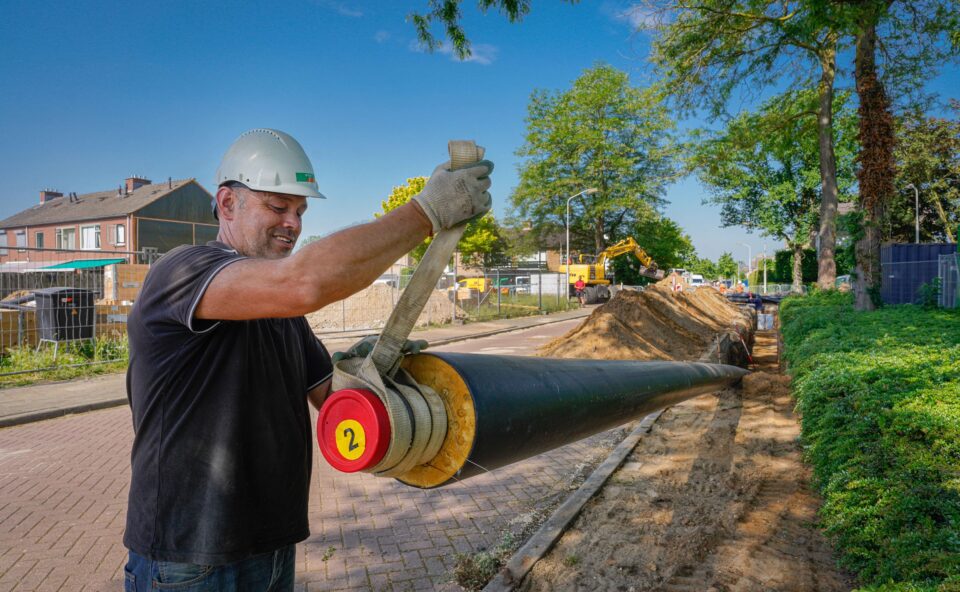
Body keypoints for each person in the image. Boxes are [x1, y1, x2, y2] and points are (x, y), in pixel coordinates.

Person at [122, 128, 493, 591]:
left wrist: (376, 376)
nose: (293, 224)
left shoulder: (282, 313)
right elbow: (306, 283)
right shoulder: (182, 272)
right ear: (227, 203)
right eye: (278, 207)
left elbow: (333, 400)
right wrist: (426, 213)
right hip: (189, 558)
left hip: (273, 544)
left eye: (300, 211)